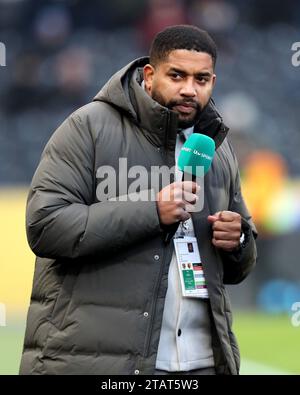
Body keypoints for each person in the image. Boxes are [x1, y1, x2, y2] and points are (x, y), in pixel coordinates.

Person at [20, 25, 257, 375]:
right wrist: (152, 211)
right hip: (101, 363)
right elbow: (45, 226)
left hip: (202, 361)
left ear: (213, 82)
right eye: (177, 75)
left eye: (201, 79)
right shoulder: (88, 128)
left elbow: (240, 263)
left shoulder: (217, 150)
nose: (189, 89)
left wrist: (237, 240)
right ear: (149, 75)